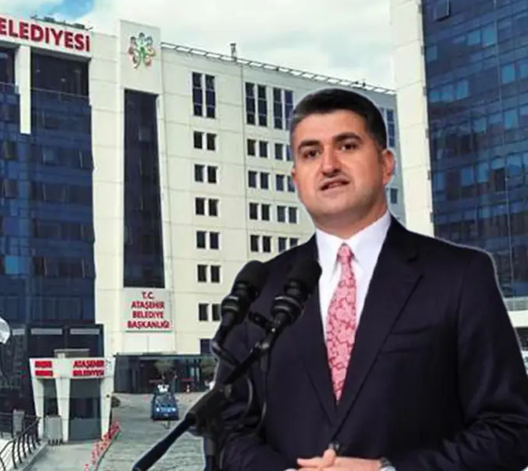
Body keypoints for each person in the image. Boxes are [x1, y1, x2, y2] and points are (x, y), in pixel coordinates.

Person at [214, 87, 528, 471]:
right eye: (311, 153)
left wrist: (389, 470)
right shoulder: (261, 288)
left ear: (385, 165)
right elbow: (228, 432)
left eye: (346, 146)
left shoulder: (460, 276)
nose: (328, 165)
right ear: (296, 179)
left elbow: (510, 429)